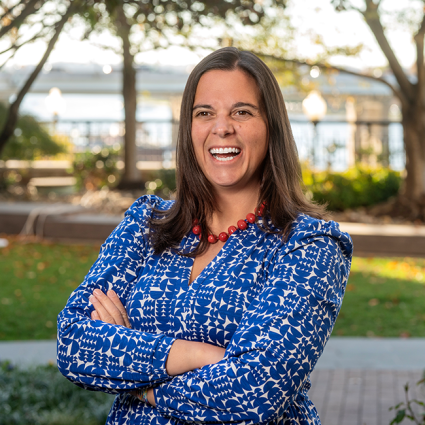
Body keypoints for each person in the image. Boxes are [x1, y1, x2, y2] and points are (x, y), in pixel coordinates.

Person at [57, 47, 352, 425]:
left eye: (242, 112)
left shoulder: (309, 246)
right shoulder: (146, 224)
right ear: (189, 128)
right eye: (204, 113)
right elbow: (74, 342)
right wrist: (199, 355)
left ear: (271, 126)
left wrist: (136, 381)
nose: (222, 127)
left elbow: (254, 392)